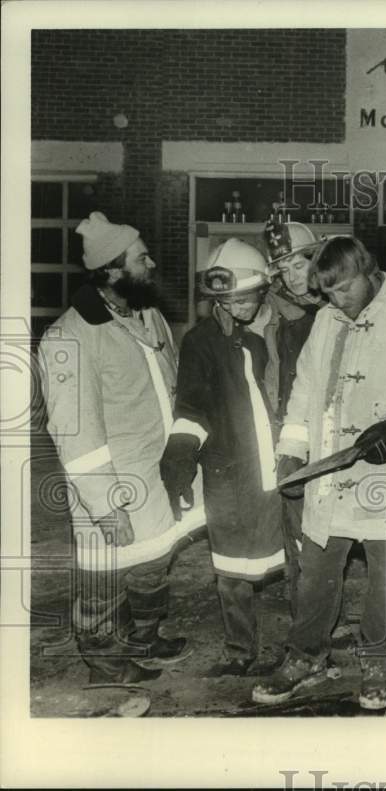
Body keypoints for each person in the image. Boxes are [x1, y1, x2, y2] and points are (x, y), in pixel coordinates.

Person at [253, 237, 386, 708]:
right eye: (327, 293)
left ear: (369, 270)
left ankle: (377, 661)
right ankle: (305, 656)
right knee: (316, 573)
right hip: (333, 474)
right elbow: (306, 387)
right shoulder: (328, 320)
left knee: (385, 579)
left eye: (344, 289)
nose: (336, 301)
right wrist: (292, 447)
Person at [39, 211, 194, 684]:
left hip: (156, 475)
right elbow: (74, 430)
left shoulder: (151, 318)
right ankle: (105, 660)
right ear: (111, 269)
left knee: (152, 564)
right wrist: (105, 505)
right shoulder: (68, 337)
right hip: (111, 487)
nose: (150, 265)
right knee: (105, 578)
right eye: (141, 258)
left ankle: (143, 638)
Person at [159, 238, 285, 676]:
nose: (248, 304)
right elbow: (191, 408)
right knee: (232, 567)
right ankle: (239, 650)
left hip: (273, 466)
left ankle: (302, 643)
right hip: (229, 472)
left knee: (281, 558)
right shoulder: (200, 343)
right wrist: (180, 457)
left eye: (253, 295)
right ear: (222, 300)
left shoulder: (262, 338)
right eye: (238, 298)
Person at [261, 220, 323, 615]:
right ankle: (305, 617)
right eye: (283, 270)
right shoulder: (276, 314)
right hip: (290, 430)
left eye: (298, 266)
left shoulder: (336, 308)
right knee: (297, 528)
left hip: (332, 433)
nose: (292, 277)